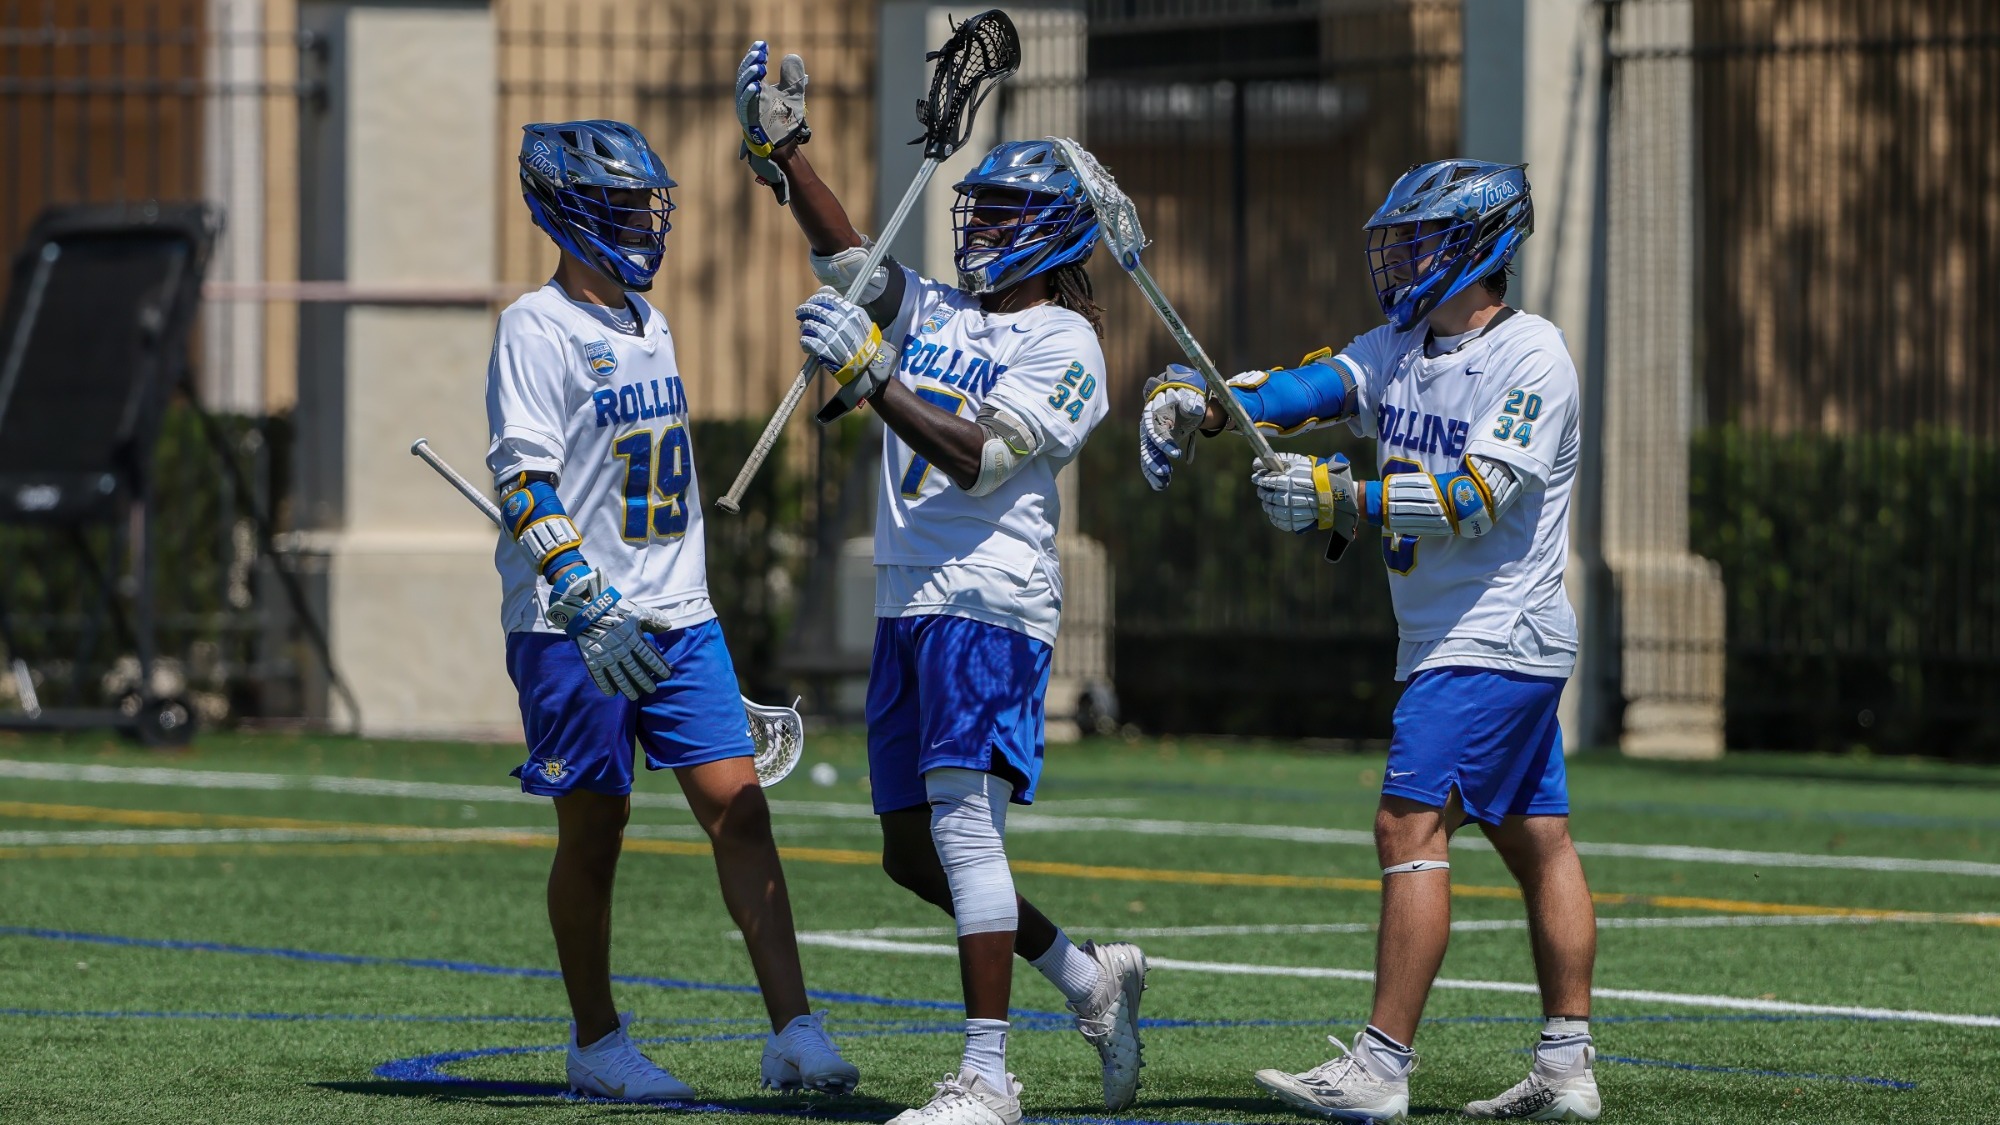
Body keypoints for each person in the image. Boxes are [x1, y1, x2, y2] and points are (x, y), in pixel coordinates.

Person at [733, 43, 1148, 1125]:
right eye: (985, 211)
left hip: (988, 600)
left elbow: (980, 456)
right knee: (908, 850)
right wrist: (787, 154)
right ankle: (1086, 978)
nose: (984, 230)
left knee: (963, 831)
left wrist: (871, 374)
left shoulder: (1065, 343)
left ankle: (987, 1077)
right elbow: (852, 259)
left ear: (1055, 233)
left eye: (1008, 217)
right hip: (909, 597)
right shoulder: (954, 315)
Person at [1140, 159, 1600, 1123]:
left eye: (1423, 239)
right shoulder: (1404, 346)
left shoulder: (1534, 357)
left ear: (1480, 249)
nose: (1402, 259)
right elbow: (1314, 387)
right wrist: (1212, 401)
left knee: (1406, 824)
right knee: (1537, 840)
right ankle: (1566, 1066)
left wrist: (1340, 495)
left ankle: (1382, 1066)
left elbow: (1476, 497)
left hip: (1491, 634)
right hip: (1468, 636)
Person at [487, 118, 857, 1102]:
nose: (640, 223)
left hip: (679, 615)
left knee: (741, 811)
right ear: (567, 214)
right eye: (618, 206)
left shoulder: (649, 322)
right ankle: (596, 1042)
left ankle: (794, 1031)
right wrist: (578, 591)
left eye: (642, 204)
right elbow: (522, 480)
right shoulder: (534, 325)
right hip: (575, 628)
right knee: (594, 833)